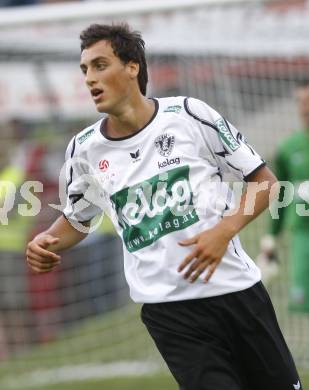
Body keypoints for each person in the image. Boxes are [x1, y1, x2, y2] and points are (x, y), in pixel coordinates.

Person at [26, 23, 302, 390]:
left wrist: (223, 232)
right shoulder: (84, 148)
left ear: (132, 67)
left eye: (100, 65)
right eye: (85, 70)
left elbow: (264, 183)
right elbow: (78, 219)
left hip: (237, 294)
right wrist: (48, 240)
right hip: (169, 313)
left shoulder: (190, 115)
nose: (90, 78)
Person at [259, 80, 309, 313]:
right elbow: (280, 195)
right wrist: (271, 237)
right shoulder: (289, 148)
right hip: (302, 236)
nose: (304, 108)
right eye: (300, 101)